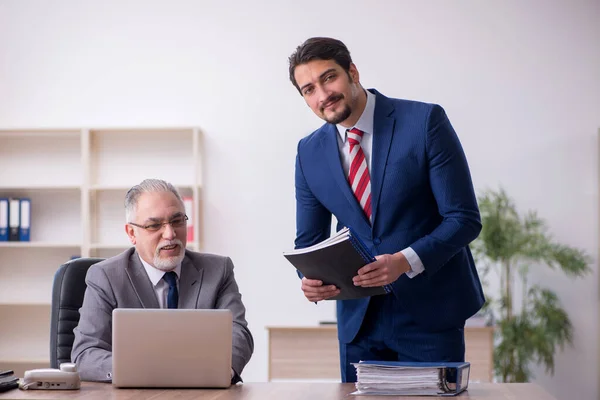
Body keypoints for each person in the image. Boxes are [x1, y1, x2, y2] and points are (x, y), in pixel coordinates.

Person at [288, 37, 485, 382]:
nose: (322, 95)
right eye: (308, 89)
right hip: (359, 322)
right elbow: (309, 242)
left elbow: (463, 219)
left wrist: (404, 261)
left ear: (352, 71)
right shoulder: (309, 152)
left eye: (328, 78)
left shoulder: (424, 122)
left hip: (430, 313)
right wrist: (309, 280)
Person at [71, 179, 253, 383]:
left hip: (202, 390)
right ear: (132, 233)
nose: (170, 234)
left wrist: (221, 371)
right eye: (154, 225)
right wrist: (148, 370)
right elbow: (86, 353)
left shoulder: (218, 270)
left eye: (177, 221)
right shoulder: (106, 277)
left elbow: (239, 334)